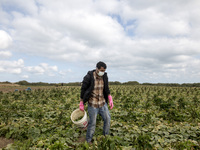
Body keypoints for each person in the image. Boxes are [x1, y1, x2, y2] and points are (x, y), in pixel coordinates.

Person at [79, 61, 114, 143]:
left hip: (102, 103)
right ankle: (88, 140)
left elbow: (106, 88)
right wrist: (81, 101)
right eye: (101, 70)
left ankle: (105, 137)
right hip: (93, 104)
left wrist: (109, 97)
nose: (102, 72)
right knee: (92, 123)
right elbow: (83, 89)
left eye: (104, 71)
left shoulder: (104, 76)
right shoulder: (89, 76)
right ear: (97, 68)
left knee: (108, 119)